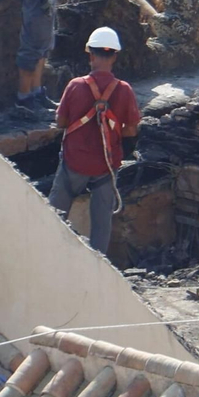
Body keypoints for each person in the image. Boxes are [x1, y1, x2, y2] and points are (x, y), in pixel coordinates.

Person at [50, 26, 140, 254]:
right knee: (102, 226)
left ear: (91, 54)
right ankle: (99, 266)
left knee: (53, 216)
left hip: (74, 163)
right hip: (106, 168)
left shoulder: (75, 86)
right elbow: (131, 130)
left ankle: (49, 255)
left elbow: (61, 123)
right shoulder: (125, 90)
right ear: (115, 56)